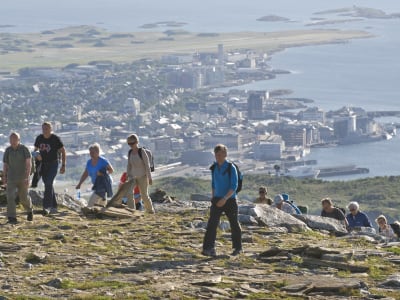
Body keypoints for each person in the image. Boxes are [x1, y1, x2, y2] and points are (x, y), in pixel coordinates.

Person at [202, 144, 242, 257]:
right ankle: (208, 248)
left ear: (225, 154)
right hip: (217, 199)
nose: (218, 157)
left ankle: (238, 247)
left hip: (230, 200)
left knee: (234, 223)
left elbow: (234, 185)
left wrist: (225, 198)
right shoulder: (214, 167)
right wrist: (214, 197)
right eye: (216, 154)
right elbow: (214, 184)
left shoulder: (230, 167)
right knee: (212, 224)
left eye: (220, 154)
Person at [34, 122, 66, 215]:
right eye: (43, 128)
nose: (45, 130)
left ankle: (46, 207)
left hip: (53, 163)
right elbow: (34, 150)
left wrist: (63, 165)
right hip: (43, 164)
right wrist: (37, 155)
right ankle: (54, 206)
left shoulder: (55, 139)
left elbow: (63, 151)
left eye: (47, 128)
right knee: (48, 184)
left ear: (51, 129)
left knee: (48, 183)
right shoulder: (39, 138)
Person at [3, 132, 34, 224]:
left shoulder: (24, 149)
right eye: (11, 139)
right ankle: (12, 217)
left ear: (19, 140)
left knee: (23, 197)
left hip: (22, 177)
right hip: (11, 177)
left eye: (14, 139)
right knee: (10, 197)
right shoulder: (8, 150)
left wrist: (27, 177)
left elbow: (29, 164)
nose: (12, 141)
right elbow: (5, 164)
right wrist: (4, 176)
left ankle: (29, 210)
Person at [126, 134, 154, 213]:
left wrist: (149, 178)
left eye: (132, 143)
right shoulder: (130, 152)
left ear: (137, 142)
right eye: (129, 144)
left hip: (142, 176)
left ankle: (150, 211)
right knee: (129, 192)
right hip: (133, 176)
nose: (131, 145)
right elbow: (129, 165)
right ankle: (132, 211)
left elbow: (147, 165)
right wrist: (127, 175)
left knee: (144, 195)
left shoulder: (142, 152)